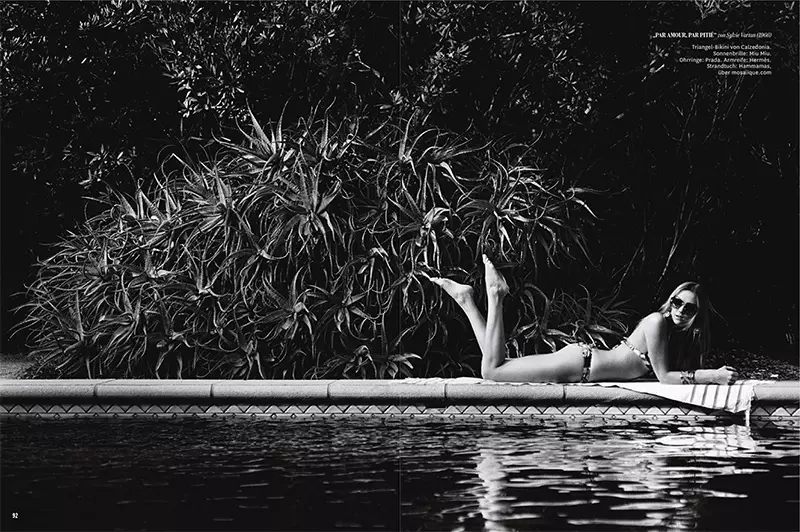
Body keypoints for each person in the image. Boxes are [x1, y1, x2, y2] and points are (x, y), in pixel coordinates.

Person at [428, 254, 739, 385]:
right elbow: (664, 377)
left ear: (698, 317)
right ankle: (495, 295)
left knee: (499, 364)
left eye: (689, 309)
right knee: (493, 371)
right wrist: (714, 375)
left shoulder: (673, 335)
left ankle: (467, 300)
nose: (680, 311)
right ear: (669, 303)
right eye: (677, 303)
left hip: (582, 364)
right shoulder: (657, 323)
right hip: (580, 364)